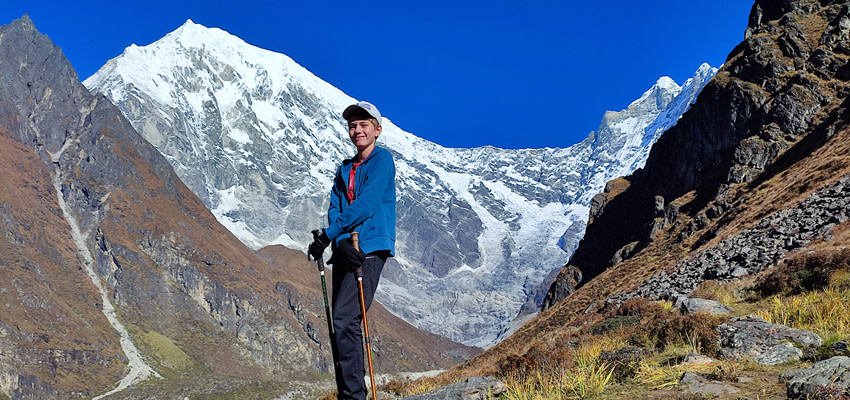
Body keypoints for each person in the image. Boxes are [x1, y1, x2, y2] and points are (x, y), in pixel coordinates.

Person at [308, 101, 396, 400]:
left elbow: (367, 204)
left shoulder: (382, 161)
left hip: (370, 248)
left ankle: (354, 396)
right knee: (341, 322)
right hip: (347, 248)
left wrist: (331, 235)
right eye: (353, 125)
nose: (357, 130)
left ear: (377, 130)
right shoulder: (345, 168)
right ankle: (350, 393)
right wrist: (341, 241)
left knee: (347, 319)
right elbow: (336, 206)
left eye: (364, 125)